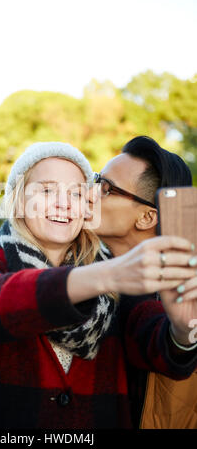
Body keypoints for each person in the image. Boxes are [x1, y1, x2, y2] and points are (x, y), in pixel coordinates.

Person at [0, 140, 197, 429]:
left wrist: (182, 329)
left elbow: (158, 342)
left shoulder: (124, 290)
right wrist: (104, 275)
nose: (69, 202)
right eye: (47, 190)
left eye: (79, 192)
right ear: (17, 200)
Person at [87, 135, 197, 428]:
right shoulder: (82, 272)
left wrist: (183, 334)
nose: (89, 194)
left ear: (147, 217)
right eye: (95, 181)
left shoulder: (174, 293)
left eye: (106, 188)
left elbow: (164, 344)